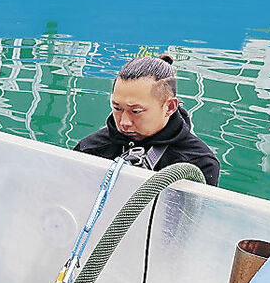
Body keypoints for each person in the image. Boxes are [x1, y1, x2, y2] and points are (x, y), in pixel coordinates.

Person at [74, 54, 220, 186]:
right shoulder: (90, 149)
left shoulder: (199, 164)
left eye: (135, 111)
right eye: (117, 108)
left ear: (169, 107)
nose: (124, 122)